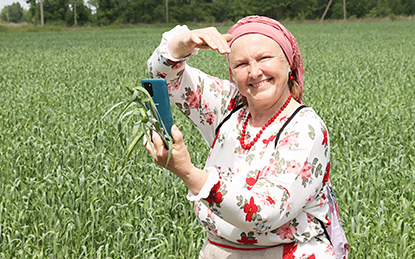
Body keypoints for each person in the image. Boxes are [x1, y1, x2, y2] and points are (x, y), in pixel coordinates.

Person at [144, 16, 343, 258]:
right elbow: (162, 77)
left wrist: (188, 172)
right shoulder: (228, 106)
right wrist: (186, 41)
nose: (254, 72)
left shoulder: (305, 128)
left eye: (264, 58)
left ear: (288, 63)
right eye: (241, 64)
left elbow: (263, 213)